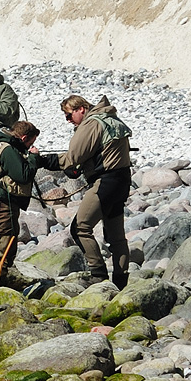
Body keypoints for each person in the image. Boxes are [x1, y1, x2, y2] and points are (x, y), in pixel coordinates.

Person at [58, 94, 132, 288]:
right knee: (116, 237)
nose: (68, 120)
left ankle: (98, 273)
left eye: (68, 115)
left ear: (80, 109)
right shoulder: (111, 118)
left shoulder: (92, 124)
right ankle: (121, 281)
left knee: (80, 227)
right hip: (123, 180)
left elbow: (73, 156)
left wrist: (45, 160)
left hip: (106, 182)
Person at [0, 119, 45, 297]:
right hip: (1, 206)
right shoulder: (7, 150)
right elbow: (23, 175)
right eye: (31, 142)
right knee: (2, 251)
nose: (31, 146)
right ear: (24, 137)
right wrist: (33, 157)